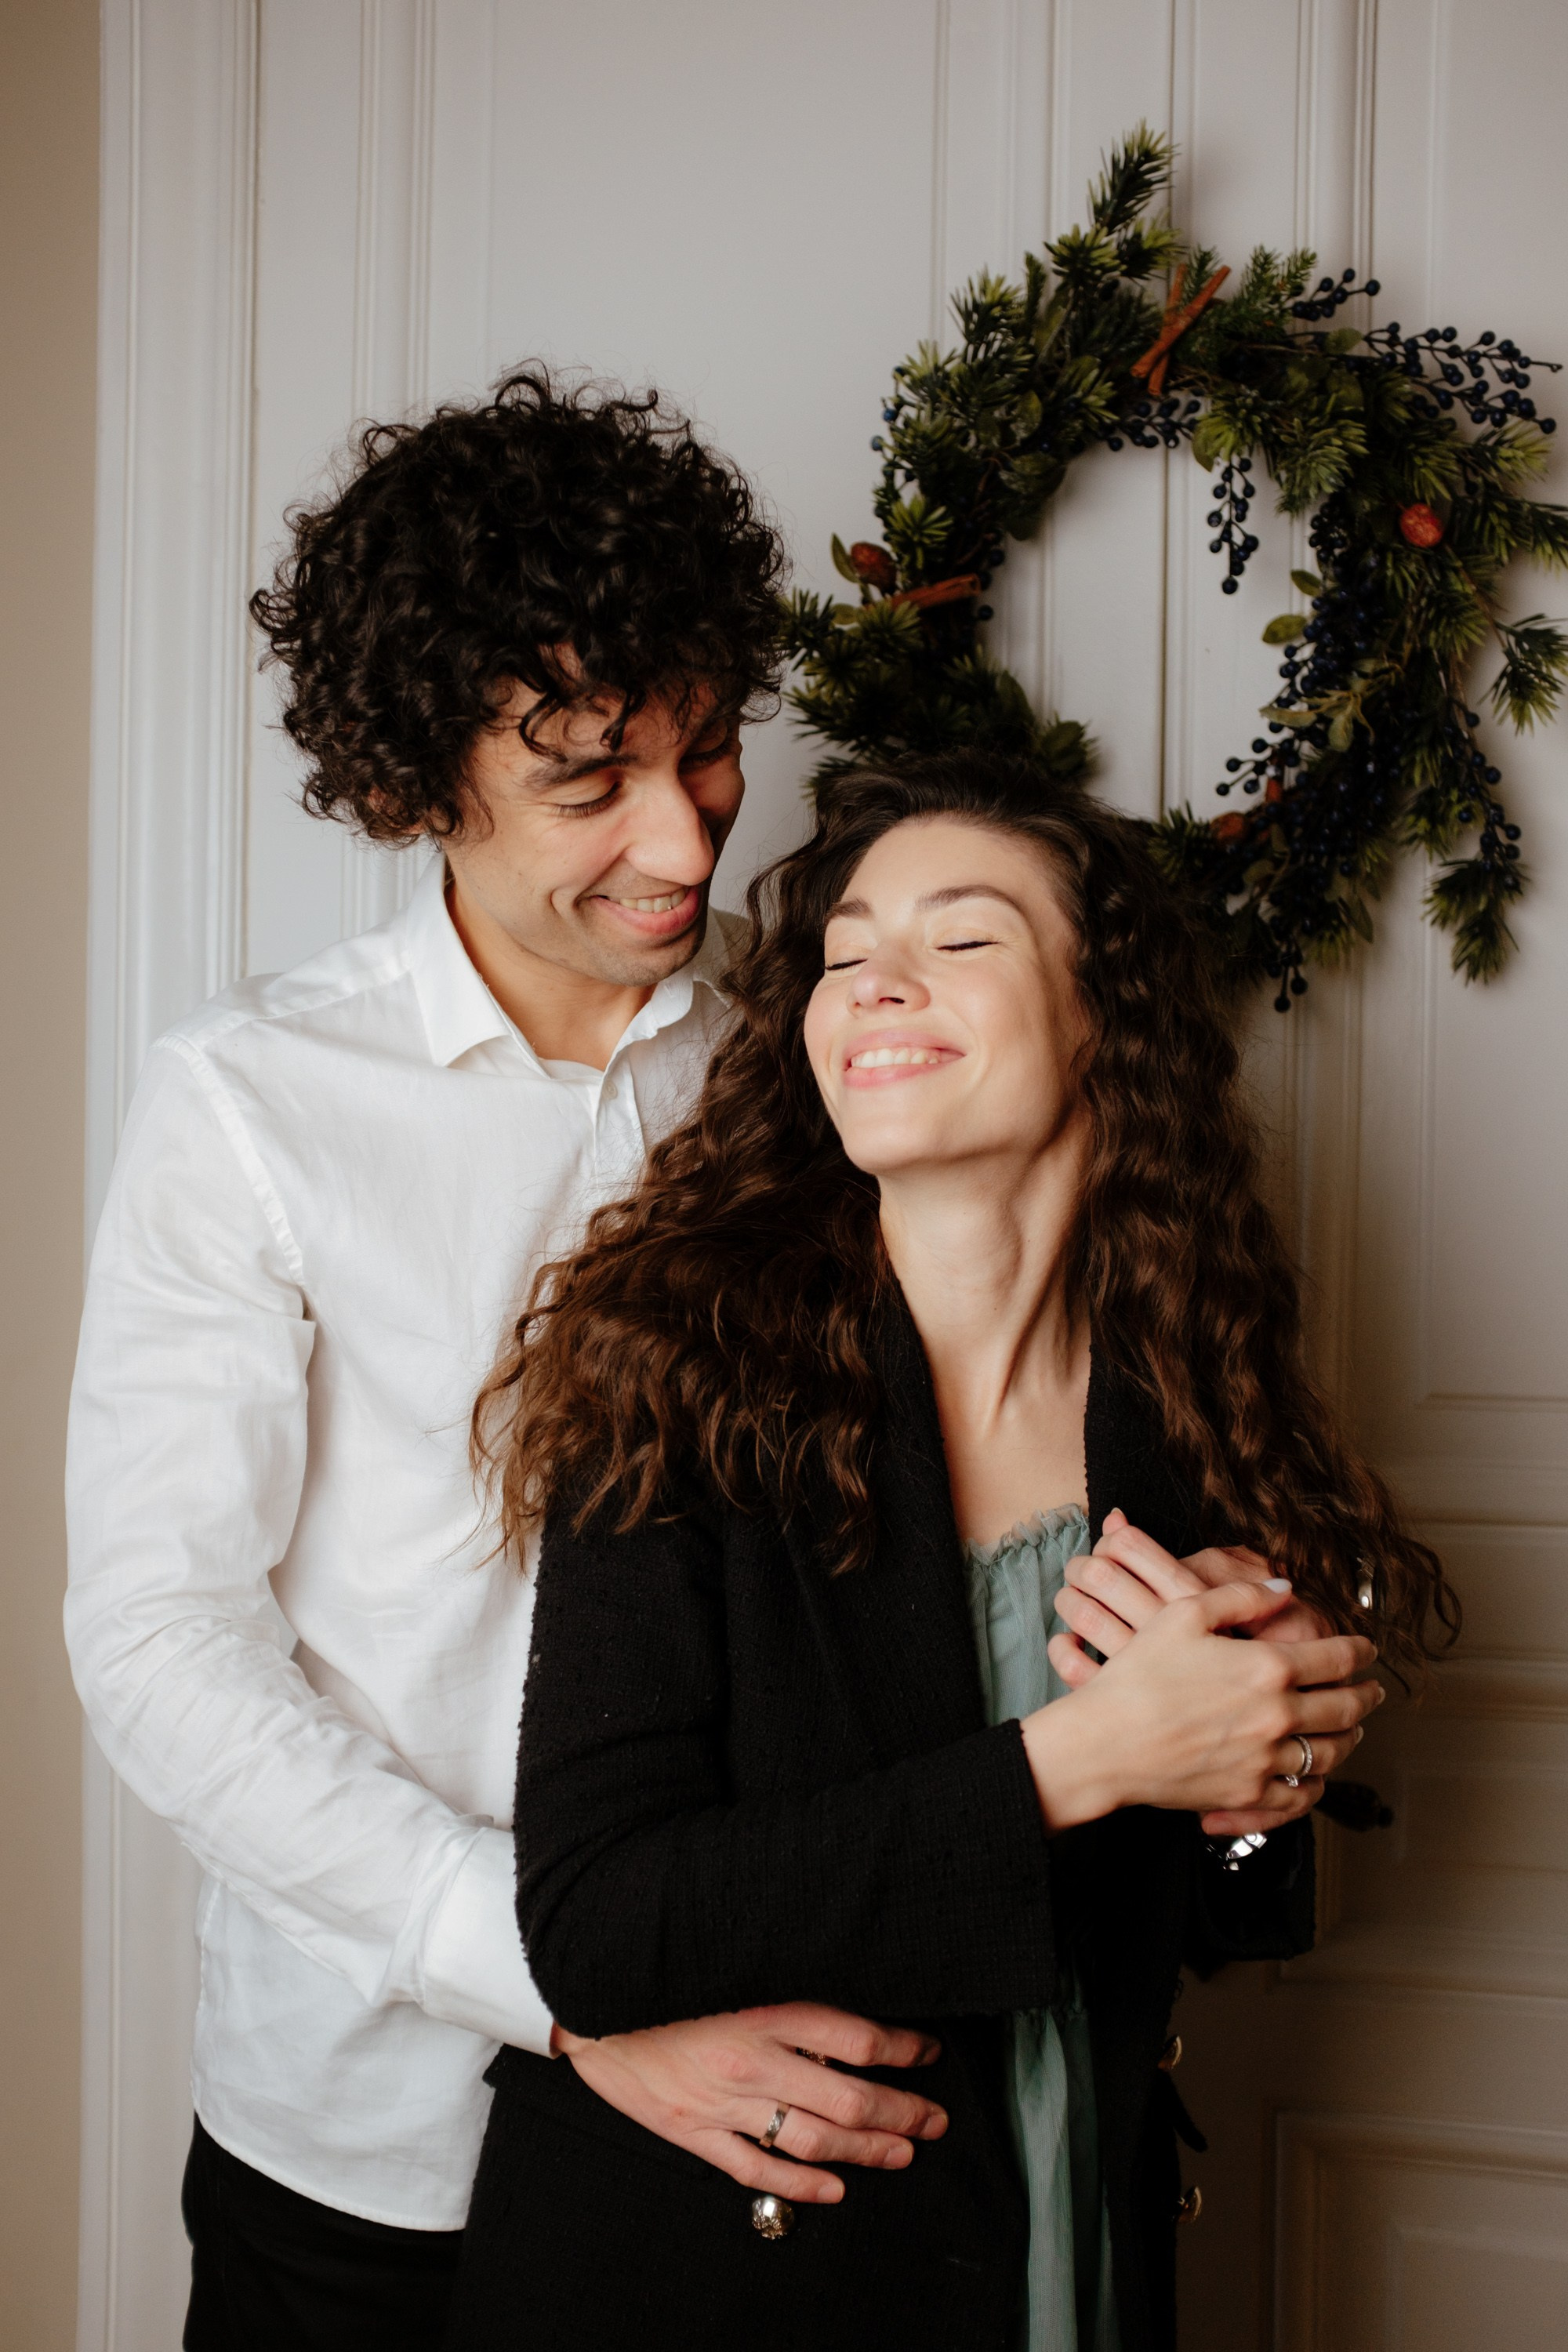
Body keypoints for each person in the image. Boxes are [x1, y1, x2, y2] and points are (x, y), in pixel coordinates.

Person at [64, 371, 956, 2352]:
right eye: (589, 783)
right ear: (415, 789)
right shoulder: (245, 1101)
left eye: (709, 748)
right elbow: (159, 1640)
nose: (684, 835)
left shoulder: (820, 1051)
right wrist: (563, 1979)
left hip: (781, 2110)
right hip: (374, 2143)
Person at [448, 753, 1454, 2352]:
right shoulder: (679, 1377)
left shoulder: (1190, 1402)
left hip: (1071, 2232)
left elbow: (1206, 1922)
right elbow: (597, 1924)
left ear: (1102, 1019)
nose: (875, 982)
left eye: (962, 939)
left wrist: (1255, 1786)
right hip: (728, 2287)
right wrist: (1083, 1758)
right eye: (845, 953)